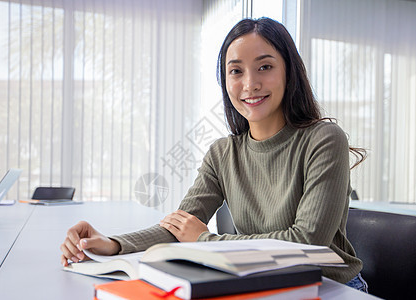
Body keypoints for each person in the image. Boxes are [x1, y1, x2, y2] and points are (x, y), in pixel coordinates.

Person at [60, 17, 368, 292]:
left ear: (289, 72)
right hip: (265, 285)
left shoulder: (324, 139)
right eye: (236, 71)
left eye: (265, 66)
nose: (250, 84)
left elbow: (307, 242)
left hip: (331, 288)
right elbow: (179, 227)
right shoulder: (222, 153)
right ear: (225, 81)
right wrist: (112, 244)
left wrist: (206, 242)